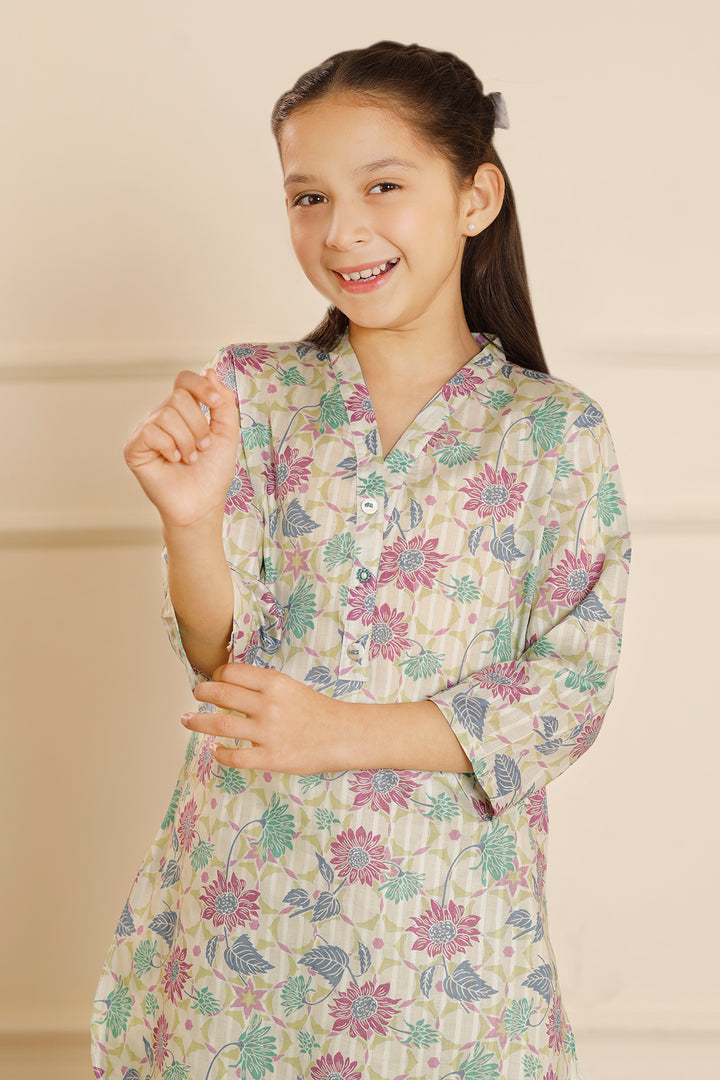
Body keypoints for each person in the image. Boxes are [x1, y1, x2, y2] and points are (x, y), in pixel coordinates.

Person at [91, 41, 630, 1080]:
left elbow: (569, 692)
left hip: (443, 936)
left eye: (383, 186)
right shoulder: (251, 391)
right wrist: (188, 523)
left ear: (475, 197)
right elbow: (216, 660)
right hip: (241, 907)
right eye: (308, 197)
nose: (341, 230)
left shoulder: (553, 431)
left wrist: (340, 731)